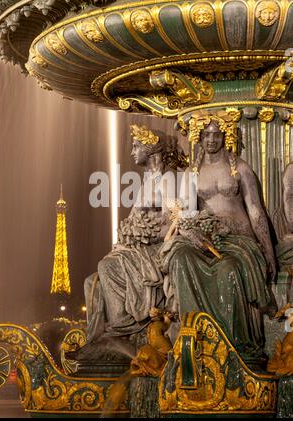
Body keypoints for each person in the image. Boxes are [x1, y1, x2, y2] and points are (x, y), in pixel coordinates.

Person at [158, 112, 276, 365]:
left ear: (226, 136)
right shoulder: (192, 172)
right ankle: (193, 336)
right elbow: (185, 214)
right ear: (199, 137)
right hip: (204, 238)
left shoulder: (240, 168)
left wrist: (268, 252)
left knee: (229, 268)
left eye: (217, 134)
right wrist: (193, 234)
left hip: (238, 239)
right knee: (179, 257)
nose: (211, 140)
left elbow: (256, 211)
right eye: (206, 134)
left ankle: (234, 343)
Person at [77, 125, 182, 360]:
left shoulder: (167, 180)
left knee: (106, 267)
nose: (132, 151)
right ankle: (99, 339)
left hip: (155, 248)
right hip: (137, 248)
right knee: (90, 283)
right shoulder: (148, 182)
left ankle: (121, 328)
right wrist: (130, 235)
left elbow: (176, 222)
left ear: (152, 148)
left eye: (136, 146)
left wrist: (140, 235)